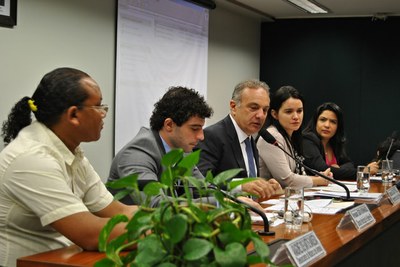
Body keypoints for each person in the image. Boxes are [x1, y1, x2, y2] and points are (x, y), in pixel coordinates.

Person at [0, 68, 137, 267]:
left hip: (64, 259)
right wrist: (158, 227)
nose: (104, 113)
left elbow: (118, 211)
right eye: (99, 106)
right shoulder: (31, 158)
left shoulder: (72, 153)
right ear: (73, 114)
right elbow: (89, 234)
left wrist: (174, 214)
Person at [195, 79, 282, 201]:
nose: (260, 115)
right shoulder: (212, 136)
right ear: (234, 106)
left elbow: (249, 185)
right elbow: (199, 185)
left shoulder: (250, 139)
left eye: (265, 110)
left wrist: (266, 187)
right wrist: (240, 185)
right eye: (253, 107)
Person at [257, 85, 330, 189]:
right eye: (289, 112)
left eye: (299, 111)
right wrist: (320, 180)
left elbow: (296, 175)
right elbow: (286, 180)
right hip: (265, 201)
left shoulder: (291, 136)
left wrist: (318, 177)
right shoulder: (272, 137)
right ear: (274, 114)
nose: (296, 117)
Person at [302, 102, 379, 179]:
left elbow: (349, 164)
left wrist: (338, 168)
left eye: (333, 122)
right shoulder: (308, 140)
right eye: (323, 120)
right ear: (315, 122)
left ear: (338, 126)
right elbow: (321, 169)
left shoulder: (334, 142)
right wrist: (362, 172)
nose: (327, 125)